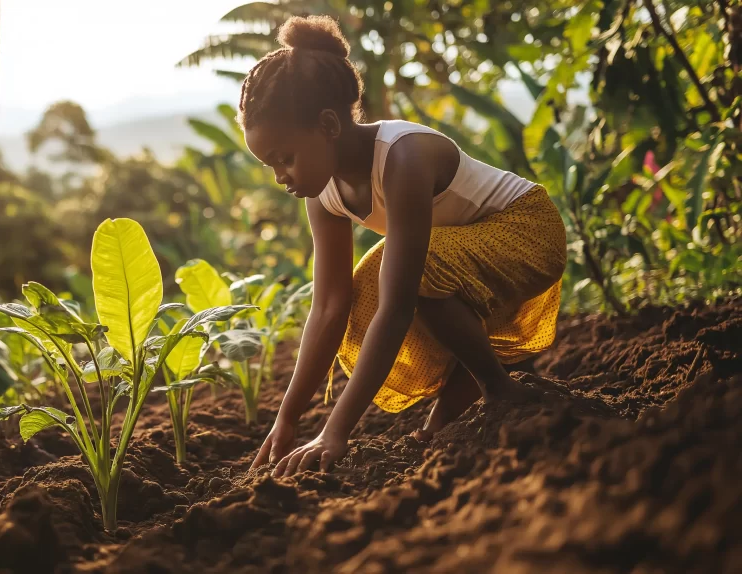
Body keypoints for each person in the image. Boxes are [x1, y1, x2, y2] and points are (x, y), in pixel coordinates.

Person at [241, 15, 567, 478]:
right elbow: (329, 308)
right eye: (270, 166)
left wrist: (335, 431)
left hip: (527, 230)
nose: (280, 177)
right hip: (461, 252)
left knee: (405, 273)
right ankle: (459, 403)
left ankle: (497, 387)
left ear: (329, 124)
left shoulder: (403, 156)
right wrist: (288, 416)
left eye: (285, 158)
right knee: (366, 288)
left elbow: (398, 307)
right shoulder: (324, 197)